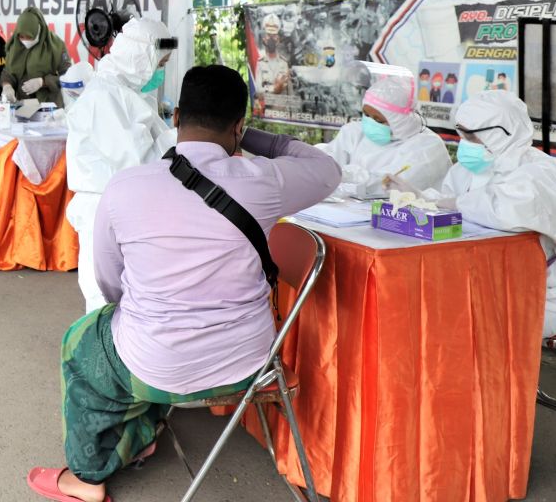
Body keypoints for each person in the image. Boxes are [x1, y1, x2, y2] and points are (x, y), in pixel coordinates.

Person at [27, 65, 341, 502]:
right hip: (248, 360)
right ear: (237, 125)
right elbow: (326, 169)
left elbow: (107, 279)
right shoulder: (265, 182)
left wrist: (138, 315)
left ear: (175, 117)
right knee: (121, 339)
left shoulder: (125, 187)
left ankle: (89, 476)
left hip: (151, 356)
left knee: (80, 345)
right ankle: (142, 431)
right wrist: (249, 137)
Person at [417, 91, 556, 339]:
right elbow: (446, 208)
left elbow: (506, 211)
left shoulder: (538, 170)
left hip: (540, 291)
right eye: (462, 135)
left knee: (463, 327)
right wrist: (419, 198)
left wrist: (456, 203)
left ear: (501, 133)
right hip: (479, 279)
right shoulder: (466, 169)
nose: (465, 144)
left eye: (472, 137)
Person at [65, 18, 179, 313]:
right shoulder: (105, 95)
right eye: (160, 62)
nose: (160, 71)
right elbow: (137, 163)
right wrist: (183, 137)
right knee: (105, 294)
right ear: (141, 57)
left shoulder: (128, 91)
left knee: (126, 292)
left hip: (120, 204)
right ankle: (101, 355)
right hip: (104, 207)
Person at [317, 74, 451, 199]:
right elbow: (328, 161)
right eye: (366, 114)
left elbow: (389, 185)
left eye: (378, 120)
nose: (369, 122)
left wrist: (345, 175)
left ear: (399, 121)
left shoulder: (427, 147)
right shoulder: (355, 131)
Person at [0, 7, 72, 107]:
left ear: (39, 30)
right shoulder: (15, 45)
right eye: (21, 36)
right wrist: (7, 85)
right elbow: (8, 72)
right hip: (22, 106)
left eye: (29, 37)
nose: (25, 40)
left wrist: (43, 82)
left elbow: (68, 77)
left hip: (48, 107)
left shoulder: (56, 46)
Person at [255, 13, 289, 99]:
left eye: (274, 35)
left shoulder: (284, 63)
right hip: (266, 108)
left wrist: (273, 88)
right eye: (269, 35)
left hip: (281, 109)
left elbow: (286, 88)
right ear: (264, 38)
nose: (271, 39)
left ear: (278, 39)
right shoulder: (259, 63)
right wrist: (274, 88)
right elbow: (258, 91)